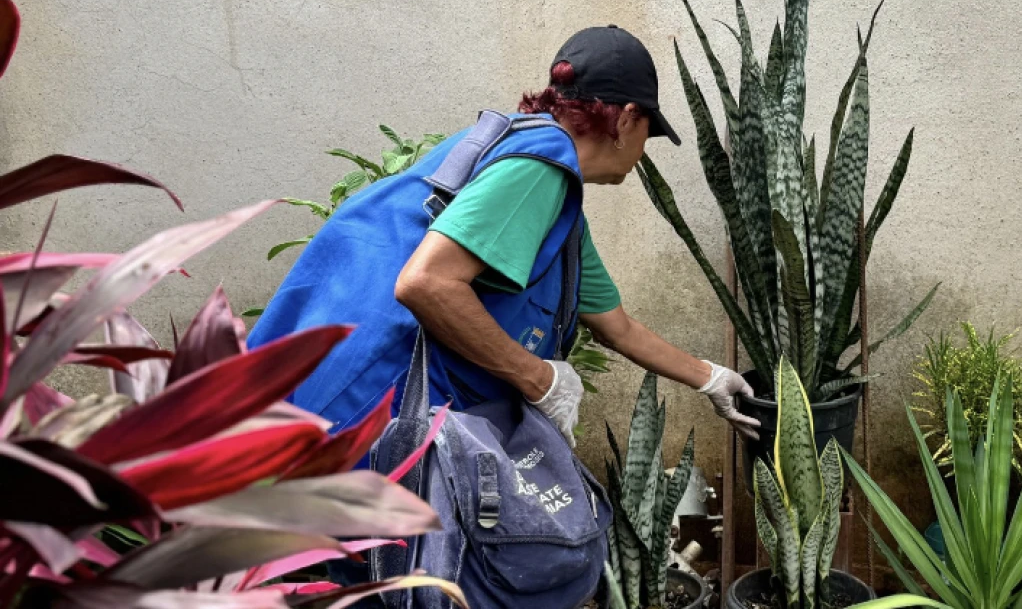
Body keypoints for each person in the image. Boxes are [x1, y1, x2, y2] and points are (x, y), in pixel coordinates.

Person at [247, 24, 761, 448]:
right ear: (627, 118)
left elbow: (616, 326)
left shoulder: (547, 193)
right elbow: (426, 284)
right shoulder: (541, 167)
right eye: (649, 132)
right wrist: (540, 380)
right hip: (360, 411)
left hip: (328, 399)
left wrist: (710, 378)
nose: (642, 149)